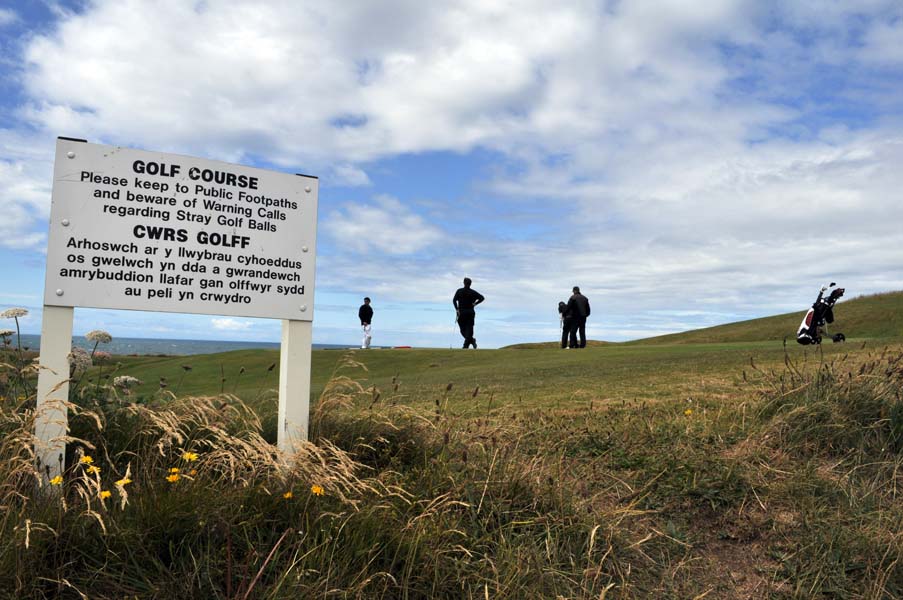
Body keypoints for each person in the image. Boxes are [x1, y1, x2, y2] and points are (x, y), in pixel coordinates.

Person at [453, 277, 484, 349]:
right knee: (469, 330)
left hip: (461, 312)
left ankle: (465, 346)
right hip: (470, 312)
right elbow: (482, 298)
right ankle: (471, 340)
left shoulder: (459, 291)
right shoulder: (473, 292)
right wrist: (475, 304)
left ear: (464, 283)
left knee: (463, 330)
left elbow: (454, 300)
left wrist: (457, 309)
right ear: (470, 284)